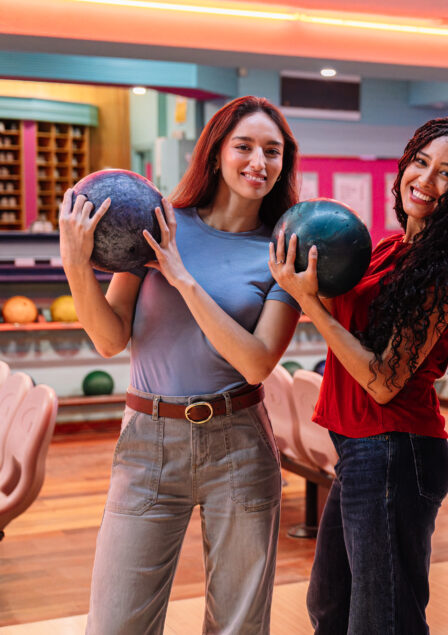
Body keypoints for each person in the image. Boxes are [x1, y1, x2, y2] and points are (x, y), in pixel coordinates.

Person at [60, 96, 302, 634]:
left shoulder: (282, 251)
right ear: (216, 153)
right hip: (149, 441)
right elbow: (108, 338)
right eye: (244, 146)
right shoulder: (158, 222)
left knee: (238, 624)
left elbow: (257, 361)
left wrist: (181, 276)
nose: (258, 162)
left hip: (239, 440)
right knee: (117, 621)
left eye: (272, 151)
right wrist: (77, 265)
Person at [269, 118, 448, 634]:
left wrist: (311, 306)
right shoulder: (391, 249)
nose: (427, 180)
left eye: (447, 176)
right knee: (331, 607)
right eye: (421, 162)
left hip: (396, 450)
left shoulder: (445, 272)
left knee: (383, 619)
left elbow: (383, 381)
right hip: (358, 449)